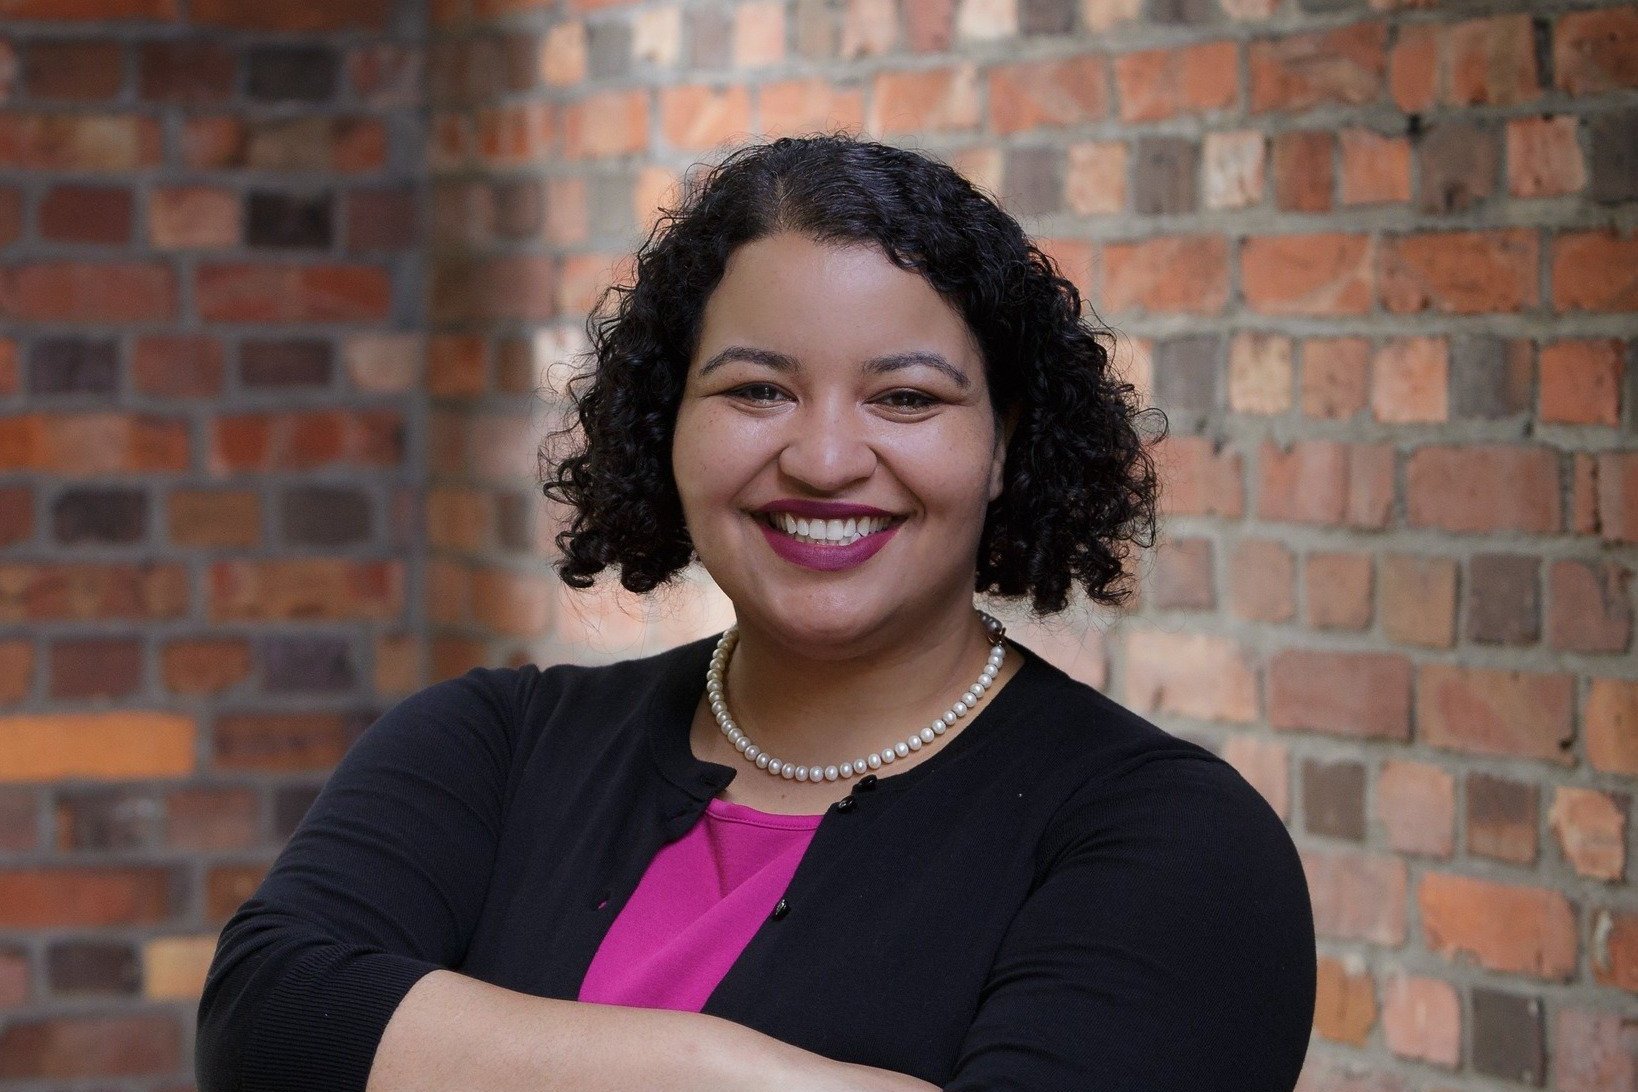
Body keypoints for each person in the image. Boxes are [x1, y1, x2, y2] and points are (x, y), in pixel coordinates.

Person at [195, 132, 1315, 1092]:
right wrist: (740, 1074)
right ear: (666, 422)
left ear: (1005, 441)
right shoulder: (489, 747)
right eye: (755, 390)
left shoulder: (1170, 847)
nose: (824, 458)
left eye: (907, 397)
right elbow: (273, 1029)